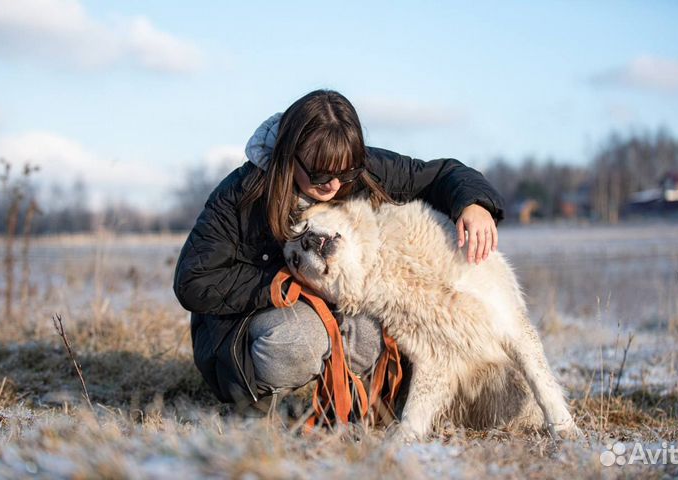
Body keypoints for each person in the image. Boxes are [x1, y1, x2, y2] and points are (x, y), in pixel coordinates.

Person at [173, 89, 504, 415]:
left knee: (373, 328)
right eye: (319, 173)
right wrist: (285, 283)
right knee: (300, 339)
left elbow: (443, 174)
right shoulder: (241, 195)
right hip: (252, 326)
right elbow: (192, 280)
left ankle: (362, 400)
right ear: (289, 153)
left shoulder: (356, 166)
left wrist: (473, 203)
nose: (332, 184)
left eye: (343, 173)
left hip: (341, 307)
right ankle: (255, 405)